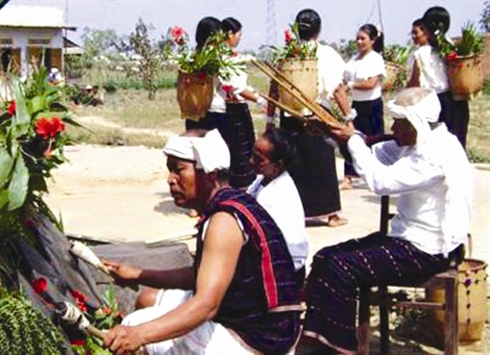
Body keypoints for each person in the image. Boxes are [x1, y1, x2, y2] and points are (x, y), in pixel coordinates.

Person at [297, 87, 472, 354]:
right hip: (408, 241)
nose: (393, 128)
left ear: (416, 124)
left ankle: (338, 347)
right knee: (325, 257)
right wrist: (332, 134)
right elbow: (371, 152)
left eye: (399, 123)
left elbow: (380, 181)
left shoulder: (436, 153)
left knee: (340, 269)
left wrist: (352, 137)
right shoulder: (417, 141)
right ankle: (314, 336)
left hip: (430, 250)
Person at [103, 129, 302, 354]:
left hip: (255, 340)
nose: (171, 180)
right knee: (148, 299)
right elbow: (203, 274)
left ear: (209, 173)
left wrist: (139, 335)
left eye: (179, 170)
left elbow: (206, 306)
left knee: (133, 325)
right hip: (264, 325)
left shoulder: (223, 220)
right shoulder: (234, 202)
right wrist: (138, 274)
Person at [271, 8, 348, 227]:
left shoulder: (286, 54)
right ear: (318, 30)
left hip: (290, 116)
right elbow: (338, 89)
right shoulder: (327, 54)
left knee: (293, 164)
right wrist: (348, 116)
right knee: (322, 163)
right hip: (318, 115)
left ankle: (294, 214)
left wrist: (269, 120)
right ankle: (331, 214)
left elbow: (274, 89)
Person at [247, 128, 309, 288]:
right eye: (252, 155)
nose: (251, 161)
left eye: (258, 159)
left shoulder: (274, 197)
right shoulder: (261, 180)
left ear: (278, 165)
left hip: (283, 273)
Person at [341, 23, 386, 190]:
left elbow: (372, 83)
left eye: (363, 38)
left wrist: (351, 85)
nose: (359, 42)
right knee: (351, 138)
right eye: (358, 38)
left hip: (372, 105)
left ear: (373, 40)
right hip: (356, 105)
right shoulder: (354, 59)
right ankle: (348, 177)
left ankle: (378, 175)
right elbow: (344, 77)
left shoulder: (376, 59)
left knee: (374, 141)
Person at [422, 6, 470, 149]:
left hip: (438, 101)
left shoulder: (424, 52)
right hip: (458, 99)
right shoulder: (455, 48)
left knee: (439, 143)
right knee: (457, 140)